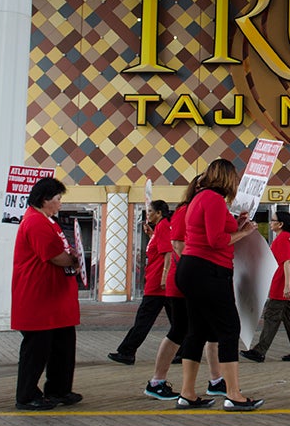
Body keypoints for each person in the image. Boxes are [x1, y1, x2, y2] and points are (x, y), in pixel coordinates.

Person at [174, 159, 263, 411]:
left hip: (191, 269)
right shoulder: (213, 199)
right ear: (227, 177)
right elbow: (216, 240)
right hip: (208, 270)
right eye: (234, 177)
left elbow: (213, 231)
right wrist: (244, 233)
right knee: (229, 329)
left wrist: (239, 223)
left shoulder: (200, 199)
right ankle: (234, 394)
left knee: (197, 330)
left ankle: (187, 393)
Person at [143, 182, 225, 402]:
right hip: (185, 283)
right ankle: (157, 381)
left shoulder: (202, 209)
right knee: (180, 330)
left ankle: (216, 381)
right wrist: (197, 270)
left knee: (210, 331)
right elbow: (177, 246)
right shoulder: (184, 211)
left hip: (198, 280)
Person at [11, 176, 83, 411]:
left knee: (62, 344)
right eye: (58, 199)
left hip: (55, 297)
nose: (60, 204)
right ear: (45, 200)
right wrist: (73, 259)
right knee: (37, 348)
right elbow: (54, 256)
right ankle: (27, 394)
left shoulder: (47, 221)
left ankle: (59, 389)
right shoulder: (35, 222)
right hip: (38, 296)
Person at [109, 200, 171, 365]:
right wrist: (151, 234)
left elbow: (168, 253)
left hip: (157, 285)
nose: (148, 214)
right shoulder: (159, 228)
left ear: (159, 213)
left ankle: (127, 351)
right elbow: (160, 247)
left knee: (143, 320)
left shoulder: (164, 226)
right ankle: (185, 351)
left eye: (150, 211)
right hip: (157, 283)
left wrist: (164, 276)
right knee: (178, 322)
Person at [242, 211, 290, 363]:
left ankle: (259, 351)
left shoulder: (282, 239)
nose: (270, 223)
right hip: (288, 283)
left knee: (272, 316)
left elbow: (287, 264)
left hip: (282, 285)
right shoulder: (289, 237)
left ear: (280, 224)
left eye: (273, 220)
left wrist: (286, 286)